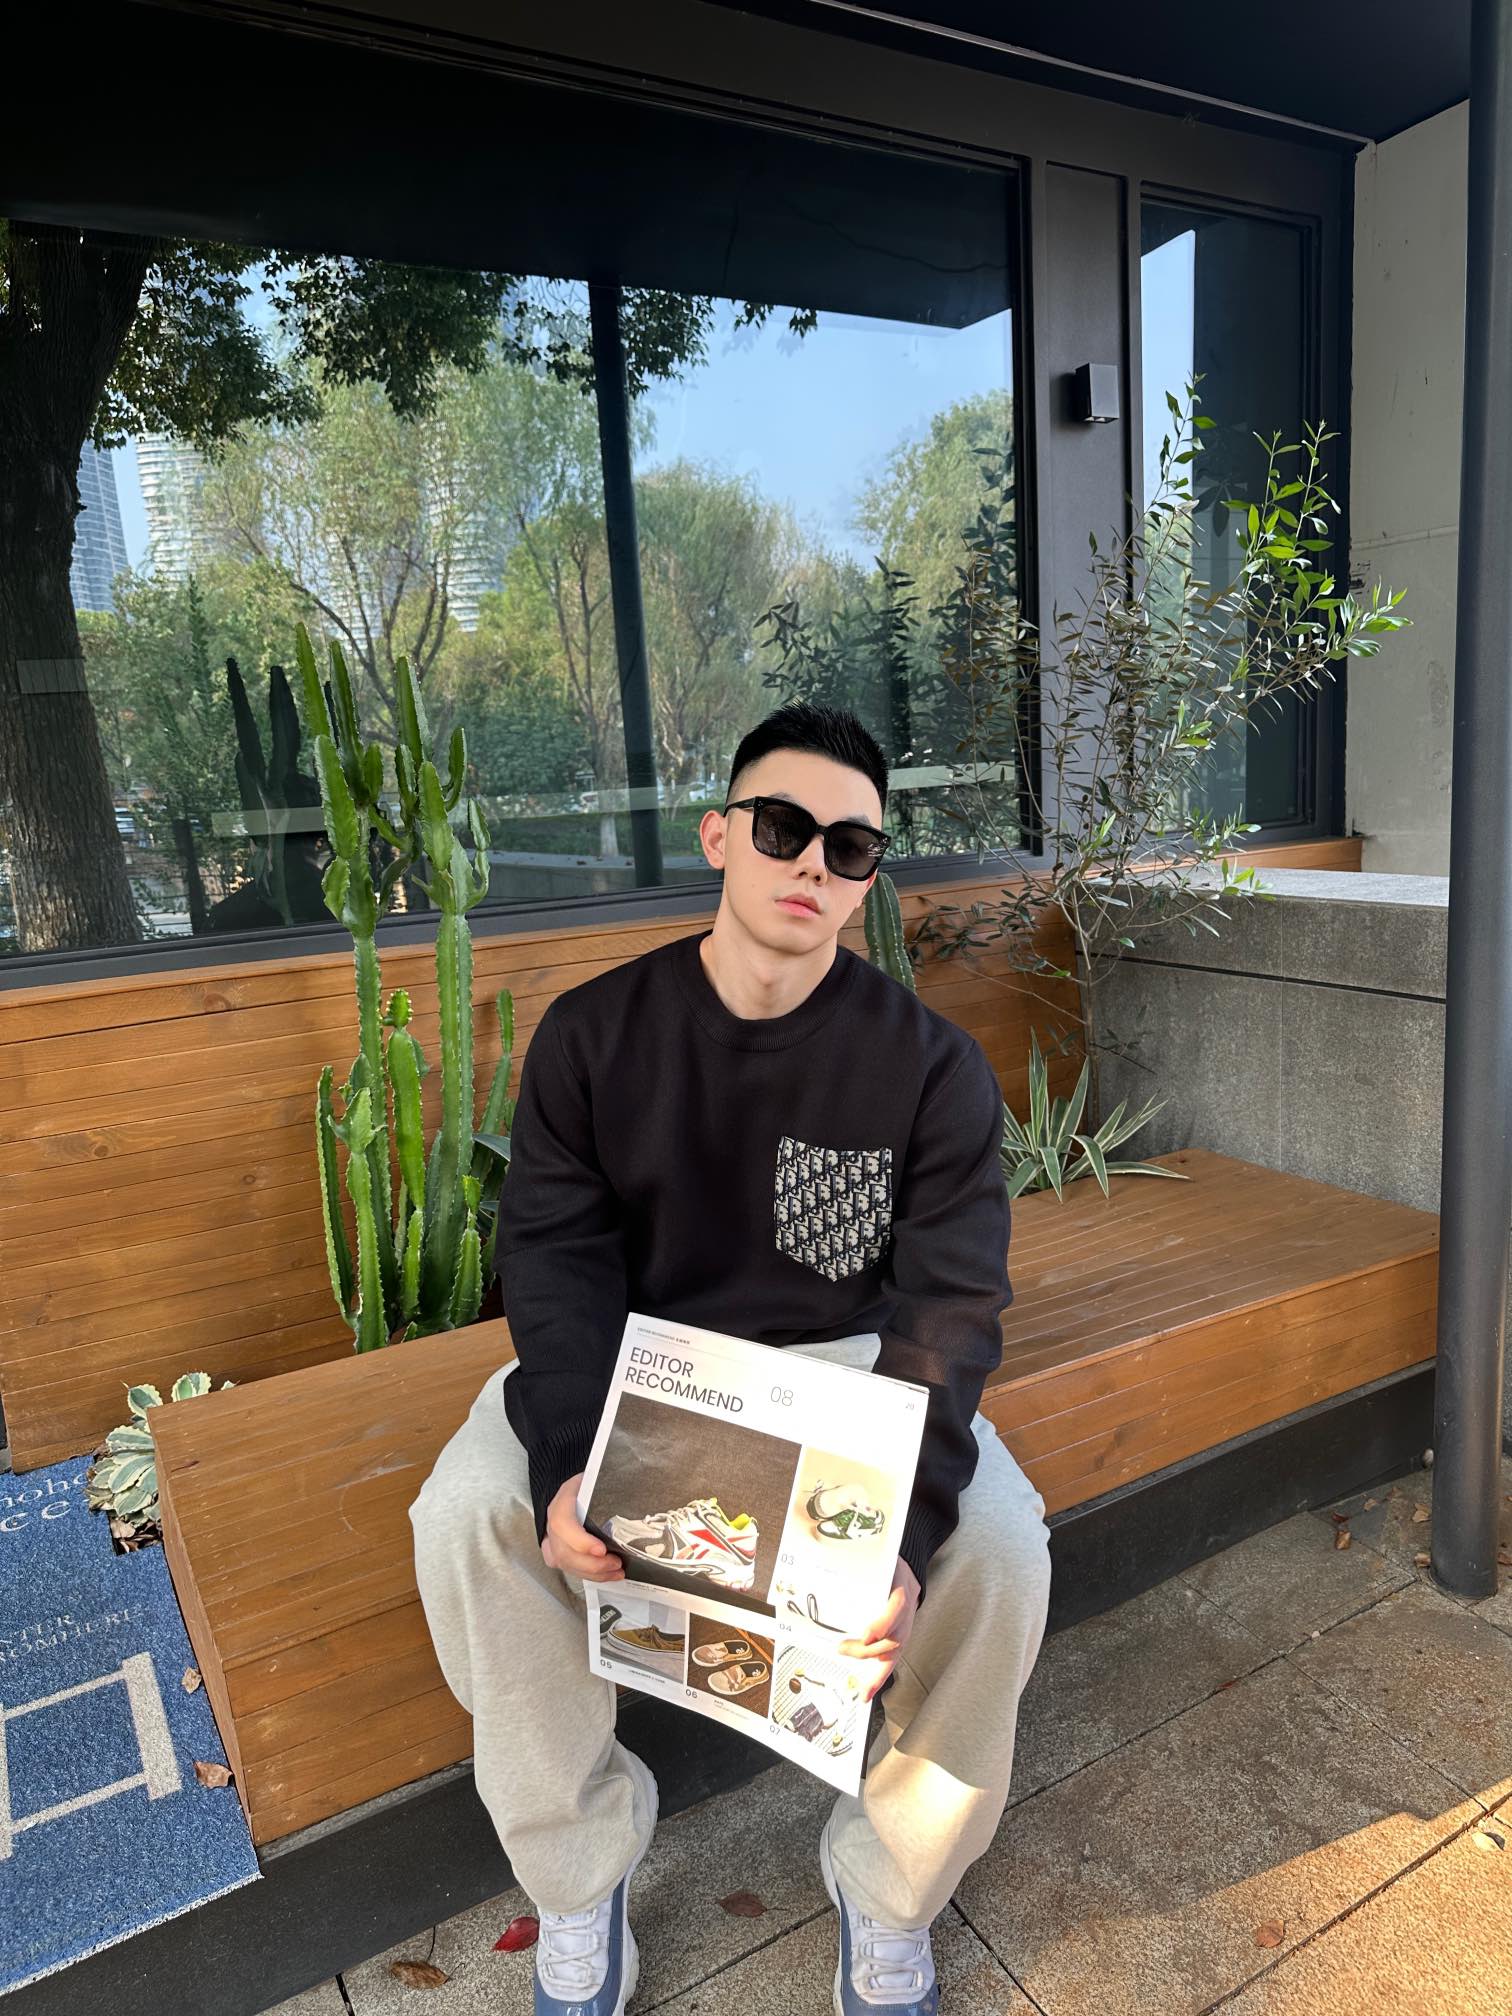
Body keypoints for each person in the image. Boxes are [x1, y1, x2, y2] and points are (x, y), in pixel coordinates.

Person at [409, 703, 1053, 2015]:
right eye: (782, 827)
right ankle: (577, 1876)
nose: (812, 861)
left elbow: (950, 1308)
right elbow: (556, 1258)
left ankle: (891, 1893)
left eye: (850, 847)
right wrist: (570, 1458)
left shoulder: (930, 1069)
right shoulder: (594, 1036)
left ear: (867, 880)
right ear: (719, 837)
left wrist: (904, 1531)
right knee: (469, 1517)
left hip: (845, 1370)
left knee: (995, 1553)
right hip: (634, 1362)